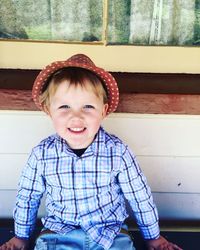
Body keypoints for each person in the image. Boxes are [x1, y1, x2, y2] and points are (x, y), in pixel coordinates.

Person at [0, 54, 182, 250]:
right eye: (64, 106)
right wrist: (21, 237)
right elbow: (28, 197)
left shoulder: (117, 152)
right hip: (59, 235)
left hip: (110, 235)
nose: (76, 116)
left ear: (103, 111)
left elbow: (139, 196)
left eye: (87, 106)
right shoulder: (42, 154)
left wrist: (153, 237)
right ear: (48, 110)